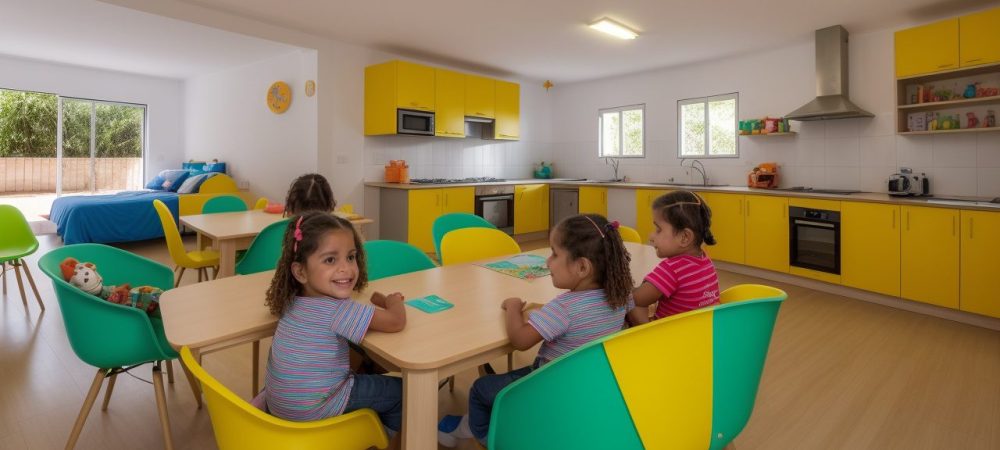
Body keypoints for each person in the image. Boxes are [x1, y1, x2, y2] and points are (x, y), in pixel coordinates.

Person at [438, 214, 636, 447]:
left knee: (481, 389)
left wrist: (512, 307)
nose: (547, 262)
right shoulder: (622, 296)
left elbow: (521, 340)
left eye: (554, 254)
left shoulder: (564, 308)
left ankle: (484, 435)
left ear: (582, 267)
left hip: (549, 388)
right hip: (587, 384)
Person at [263, 211, 406, 443]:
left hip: (280, 409)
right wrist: (394, 301)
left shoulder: (291, 300)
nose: (346, 269)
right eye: (330, 260)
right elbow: (396, 321)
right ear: (300, 272)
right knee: (402, 392)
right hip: (315, 411)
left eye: (351, 257)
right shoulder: (338, 311)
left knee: (361, 355)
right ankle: (375, 441)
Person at [629, 190, 720, 325]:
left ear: (684, 237)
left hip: (669, 338)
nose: (651, 237)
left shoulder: (671, 269)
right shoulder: (705, 260)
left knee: (629, 303)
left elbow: (637, 299)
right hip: (700, 333)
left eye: (658, 229)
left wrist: (627, 288)